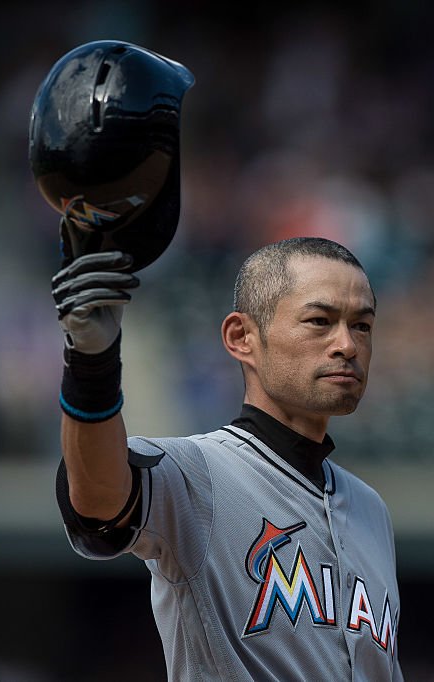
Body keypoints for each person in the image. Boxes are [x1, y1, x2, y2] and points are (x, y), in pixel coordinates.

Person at [51, 237, 403, 680]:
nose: (347, 345)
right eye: (320, 320)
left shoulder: (371, 508)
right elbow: (97, 499)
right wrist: (92, 365)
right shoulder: (197, 472)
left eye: (362, 326)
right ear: (241, 337)